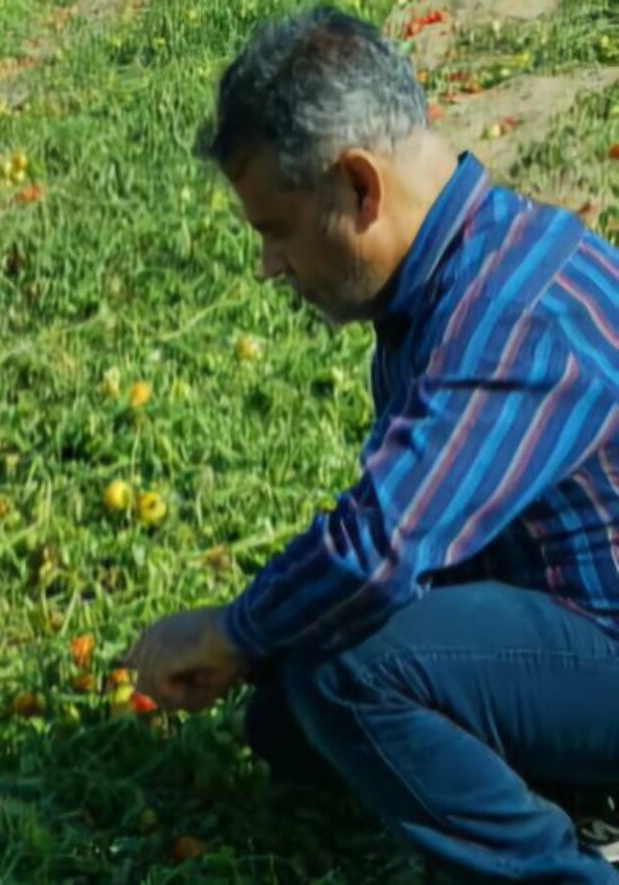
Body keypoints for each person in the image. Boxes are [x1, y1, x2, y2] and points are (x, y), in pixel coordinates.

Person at [123, 6, 619, 883]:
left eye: (276, 231)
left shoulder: (514, 316)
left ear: (358, 186)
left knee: (350, 669)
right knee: (287, 707)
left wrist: (235, 629)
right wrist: (263, 645)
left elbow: (383, 550)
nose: (270, 266)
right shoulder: (456, 277)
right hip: (562, 614)